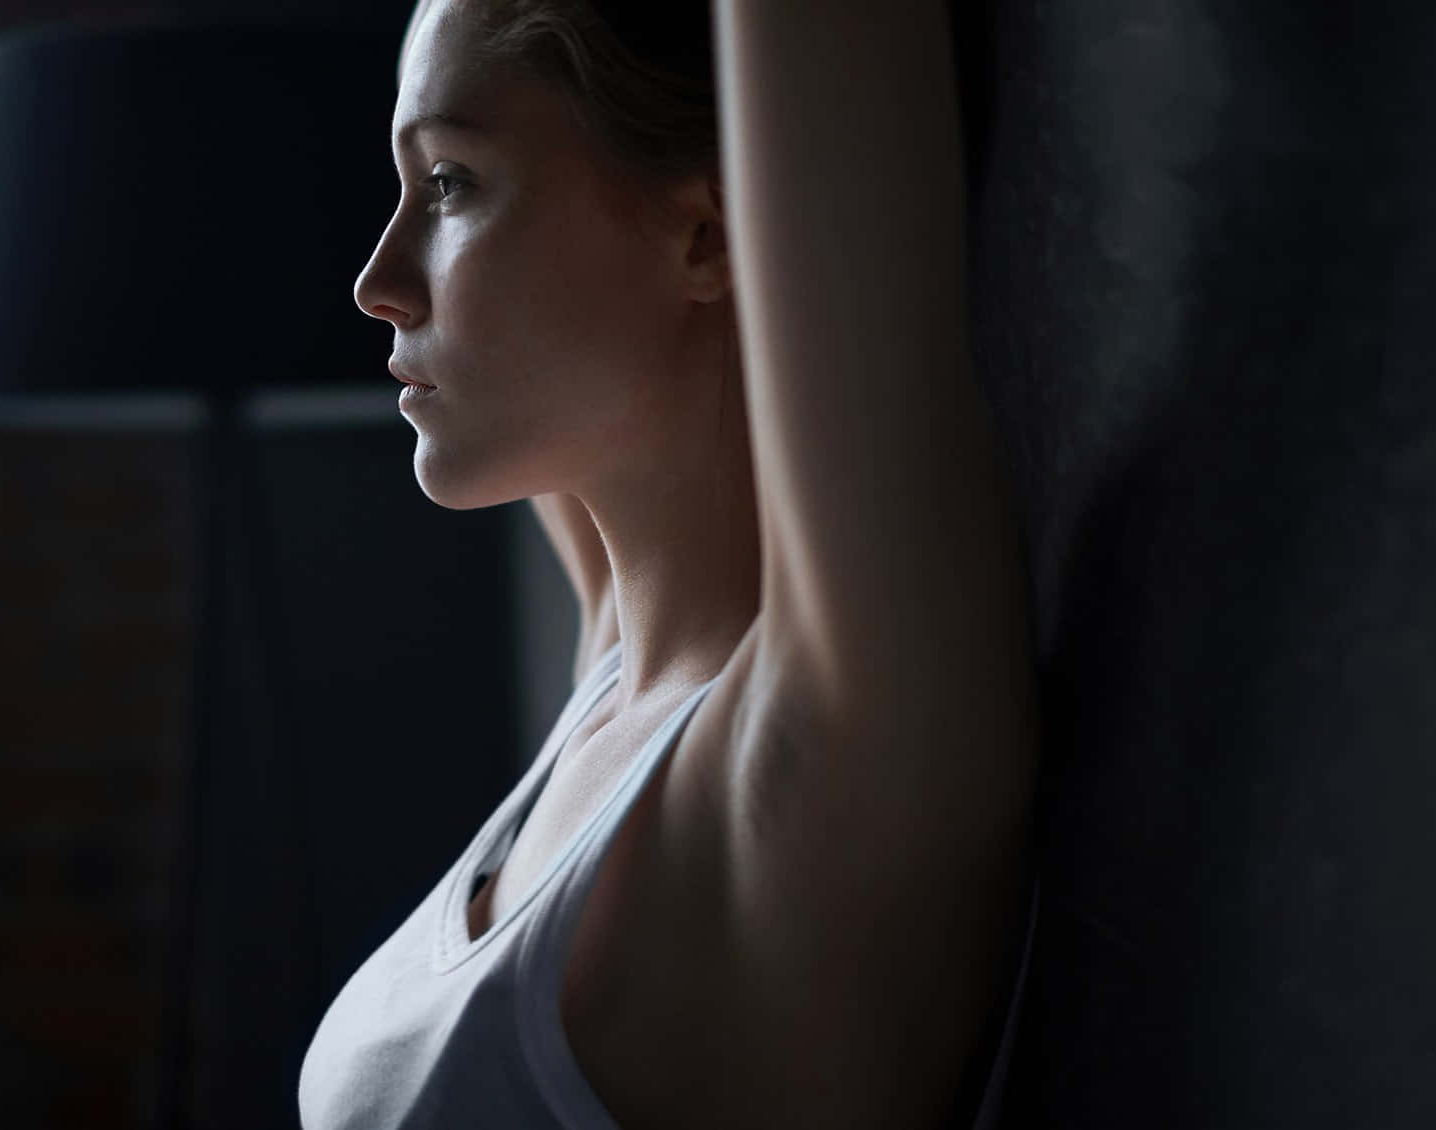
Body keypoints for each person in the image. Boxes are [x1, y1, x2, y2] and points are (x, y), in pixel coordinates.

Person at [300, 1, 1041, 1126]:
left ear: (708, 231)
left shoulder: (807, 757)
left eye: (450, 182)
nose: (379, 278)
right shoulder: (618, 673)